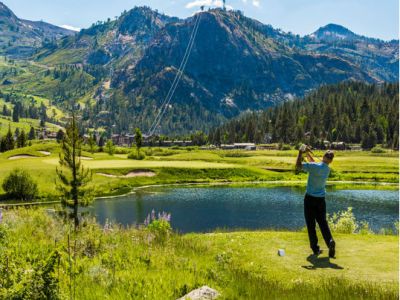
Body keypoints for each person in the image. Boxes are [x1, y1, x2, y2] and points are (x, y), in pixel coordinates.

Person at [295, 146, 336, 258]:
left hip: (310, 199)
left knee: (311, 224)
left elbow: (298, 166)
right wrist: (308, 154)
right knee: (323, 223)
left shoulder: (314, 167)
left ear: (323, 156)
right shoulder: (327, 169)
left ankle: (315, 249)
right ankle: (330, 241)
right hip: (321, 200)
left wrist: (300, 153)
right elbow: (314, 164)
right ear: (331, 160)